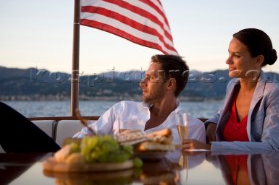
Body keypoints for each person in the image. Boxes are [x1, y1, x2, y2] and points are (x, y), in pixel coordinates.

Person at [182, 28, 279, 153]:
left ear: (258, 60)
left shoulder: (275, 92)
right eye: (229, 53)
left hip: (266, 170)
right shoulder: (232, 85)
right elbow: (224, 113)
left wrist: (211, 148)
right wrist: (212, 123)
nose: (228, 61)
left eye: (236, 55)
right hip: (230, 170)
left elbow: (272, 147)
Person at [73, 54, 206, 144]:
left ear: (170, 84)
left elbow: (193, 168)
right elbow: (82, 138)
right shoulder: (122, 109)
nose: (142, 83)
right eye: (144, 77)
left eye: (150, 78)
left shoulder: (193, 128)